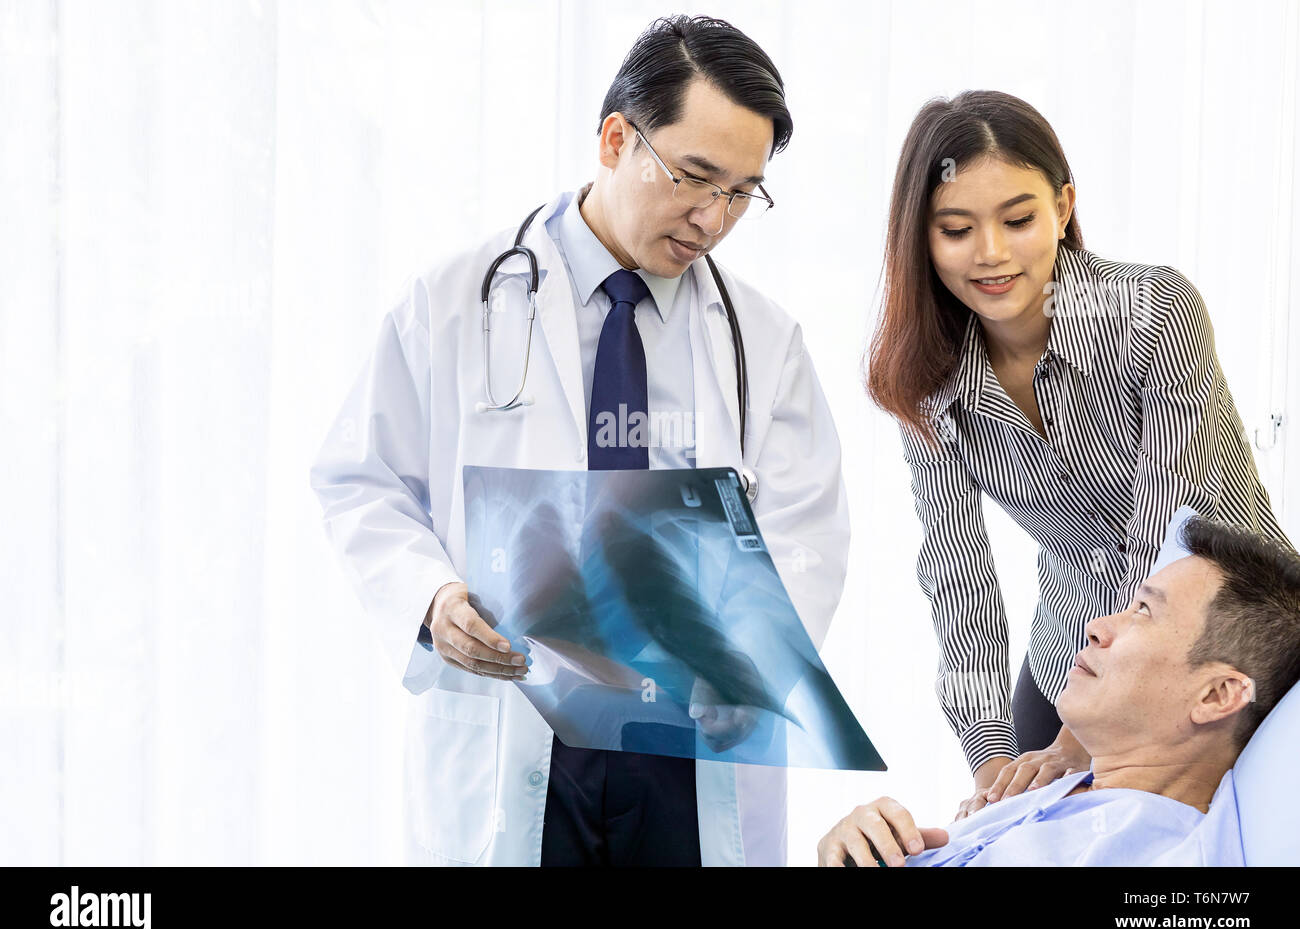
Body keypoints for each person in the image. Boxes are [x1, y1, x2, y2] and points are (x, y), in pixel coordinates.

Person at [309, 15, 850, 866]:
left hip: (687, 750)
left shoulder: (763, 341)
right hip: (518, 728)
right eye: (695, 177)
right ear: (615, 140)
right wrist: (431, 599)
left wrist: (749, 659)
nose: (713, 218)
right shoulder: (452, 304)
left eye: (743, 193)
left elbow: (807, 532)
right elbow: (362, 480)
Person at [864, 90, 1291, 820]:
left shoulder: (1152, 311)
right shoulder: (927, 380)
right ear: (921, 238)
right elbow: (957, 574)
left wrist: (1081, 740)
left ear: (1063, 208)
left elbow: (1170, 525)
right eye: (956, 229)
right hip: (1074, 649)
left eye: (1018, 220)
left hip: (1217, 644)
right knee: (1013, 830)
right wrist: (992, 756)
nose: (991, 253)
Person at [816, 516, 1300, 866]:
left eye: (1144, 612)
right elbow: (956, 574)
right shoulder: (1061, 795)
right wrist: (853, 847)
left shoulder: (1147, 851)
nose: (1095, 625)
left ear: (1216, 695)